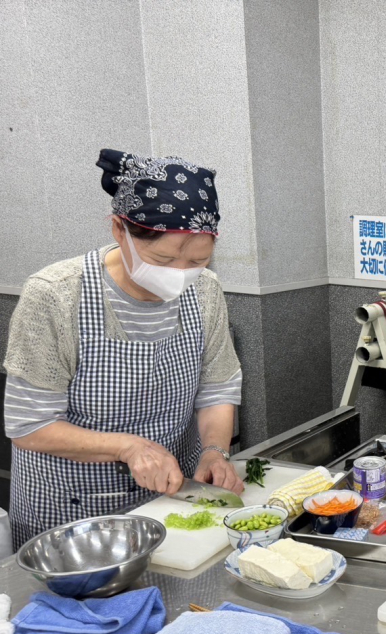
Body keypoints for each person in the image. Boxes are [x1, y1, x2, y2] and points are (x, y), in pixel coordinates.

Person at [4, 149, 244, 548]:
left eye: (199, 260)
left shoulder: (205, 291)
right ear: (119, 229)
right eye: (163, 258)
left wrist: (214, 451)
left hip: (171, 499)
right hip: (72, 511)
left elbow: (217, 387)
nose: (180, 276)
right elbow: (29, 425)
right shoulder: (56, 296)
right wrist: (127, 447)